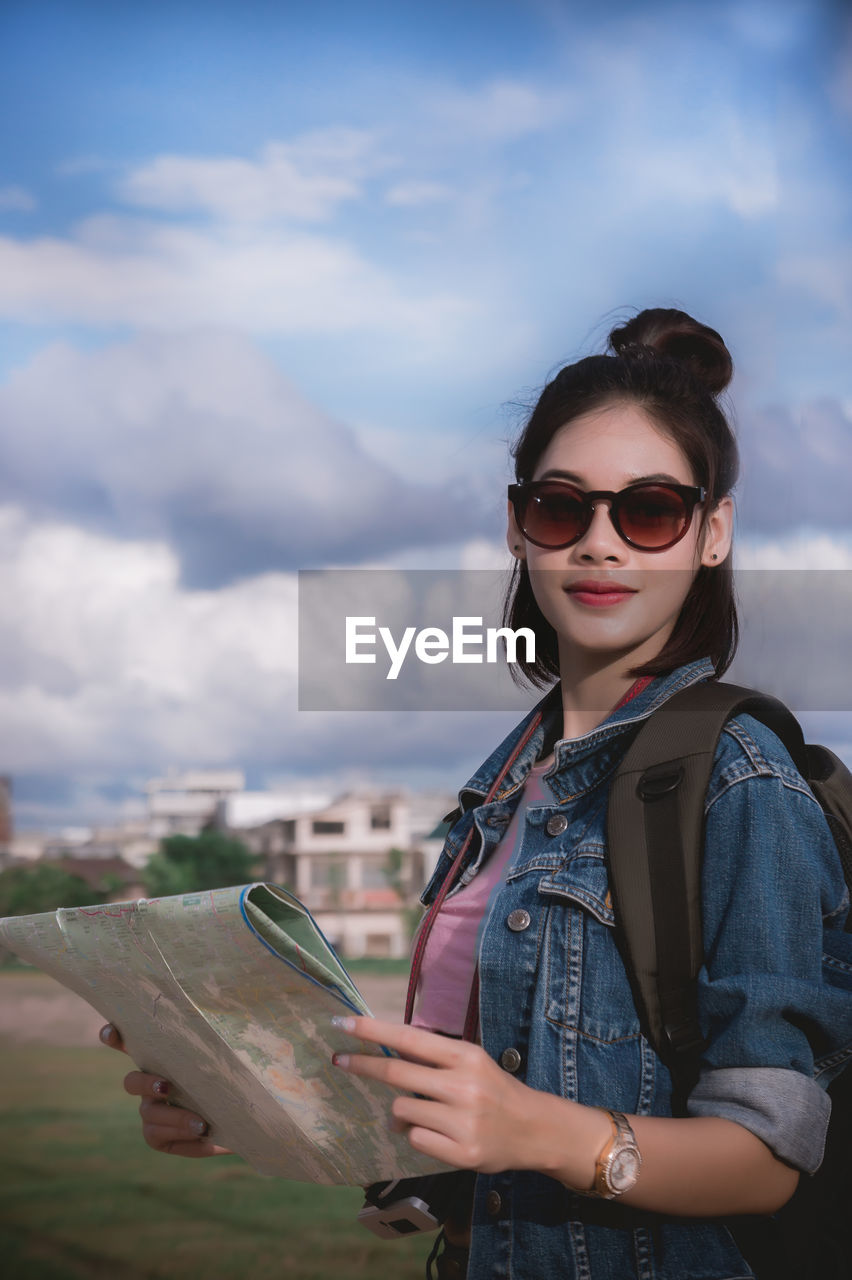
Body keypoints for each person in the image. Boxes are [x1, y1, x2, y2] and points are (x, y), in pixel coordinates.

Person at [101, 308, 852, 1279]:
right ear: (516, 524)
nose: (599, 542)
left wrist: (539, 1130)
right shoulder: (502, 787)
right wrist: (238, 1094)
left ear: (712, 533)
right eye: (561, 507)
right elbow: (466, 1101)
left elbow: (765, 1156)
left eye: (650, 510)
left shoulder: (742, 774)